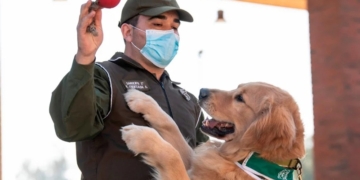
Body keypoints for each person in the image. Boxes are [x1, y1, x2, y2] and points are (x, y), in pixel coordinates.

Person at [49, 0, 209, 179]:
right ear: (128, 32)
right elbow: (71, 126)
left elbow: (206, 168)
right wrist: (85, 56)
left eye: (174, 27)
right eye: (158, 24)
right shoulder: (105, 77)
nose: (169, 34)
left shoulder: (187, 100)